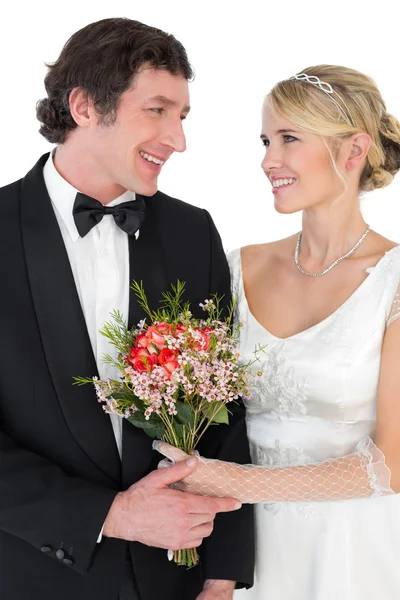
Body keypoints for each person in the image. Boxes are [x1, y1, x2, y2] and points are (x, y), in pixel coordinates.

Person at [0, 17, 255, 600]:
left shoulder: (194, 231)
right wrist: (109, 515)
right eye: (157, 110)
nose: (178, 139)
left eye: (182, 116)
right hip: (34, 577)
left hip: (177, 581)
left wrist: (223, 571)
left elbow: (228, 405)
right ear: (85, 106)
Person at [154, 65, 400, 600]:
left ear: (354, 150)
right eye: (267, 140)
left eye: (289, 139)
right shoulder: (239, 267)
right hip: (233, 552)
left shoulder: (394, 282)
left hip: (348, 554)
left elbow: (393, 464)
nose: (269, 160)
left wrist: (235, 482)